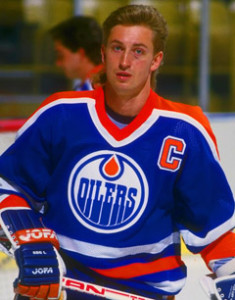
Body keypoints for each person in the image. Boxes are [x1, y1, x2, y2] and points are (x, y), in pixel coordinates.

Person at [0, 4, 235, 300]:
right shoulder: (61, 114)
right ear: (103, 53)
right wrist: (31, 242)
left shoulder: (184, 131)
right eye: (117, 48)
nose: (125, 61)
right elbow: (8, 185)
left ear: (156, 60)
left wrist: (232, 273)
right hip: (59, 289)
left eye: (138, 51)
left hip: (142, 292)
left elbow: (212, 229)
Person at [49, 15, 103, 91]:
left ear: (81, 54)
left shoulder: (94, 91)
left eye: (61, 55)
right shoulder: (97, 86)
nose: (58, 63)